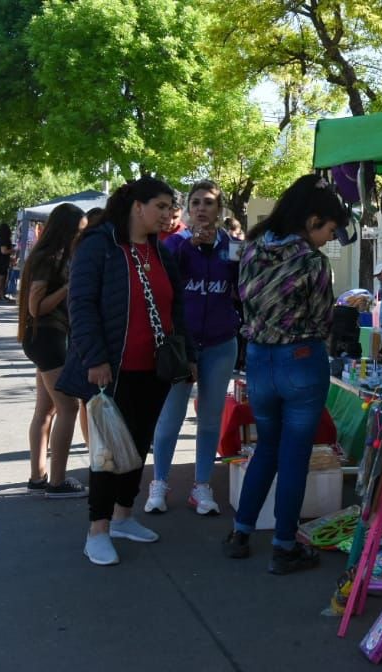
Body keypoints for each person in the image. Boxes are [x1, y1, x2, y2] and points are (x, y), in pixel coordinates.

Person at [57, 176, 193, 567]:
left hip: (156, 368)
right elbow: (80, 306)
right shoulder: (99, 246)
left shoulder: (161, 252)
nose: (168, 215)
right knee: (109, 452)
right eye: (161, 206)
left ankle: (122, 517)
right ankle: (97, 529)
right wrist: (95, 359)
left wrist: (190, 355)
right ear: (137, 206)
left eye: (171, 207)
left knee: (137, 446)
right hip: (111, 369)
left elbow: (176, 310)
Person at [223, 174, 349, 575]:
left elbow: (241, 301)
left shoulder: (253, 247)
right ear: (312, 221)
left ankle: (240, 533)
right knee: (295, 455)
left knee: (266, 447)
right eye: (329, 229)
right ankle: (283, 545)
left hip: (259, 360)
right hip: (300, 359)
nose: (329, 238)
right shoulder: (312, 261)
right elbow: (324, 319)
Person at [146, 180, 240, 516]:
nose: (202, 208)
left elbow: (242, 287)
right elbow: (164, 284)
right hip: (180, 346)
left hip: (219, 343)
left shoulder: (232, 245)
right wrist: (191, 247)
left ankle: (202, 486)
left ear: (219, 209)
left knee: (211, 418)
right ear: (186, 209)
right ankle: (159, 482)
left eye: (209, 203)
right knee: (170, 417)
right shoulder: (173, 244)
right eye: (196, 202)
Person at [18, 203, 88, 499]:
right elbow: (36, 307)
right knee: (68, 407)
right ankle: (57, 481)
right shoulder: (50, 258)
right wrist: (68, 287)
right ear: (66, 230)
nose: (80, 238)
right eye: (79, 232)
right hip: (47, 337)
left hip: (42, 338)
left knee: (45, 410)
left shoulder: (49, 255)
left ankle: (38, 476)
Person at [0, 223, 14, 302]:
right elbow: (4, 251)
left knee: (0, 278)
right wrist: (13, 250)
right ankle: (0, 295)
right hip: (1, 261)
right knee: (1, 278)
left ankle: (0, 295)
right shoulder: (4, 239)